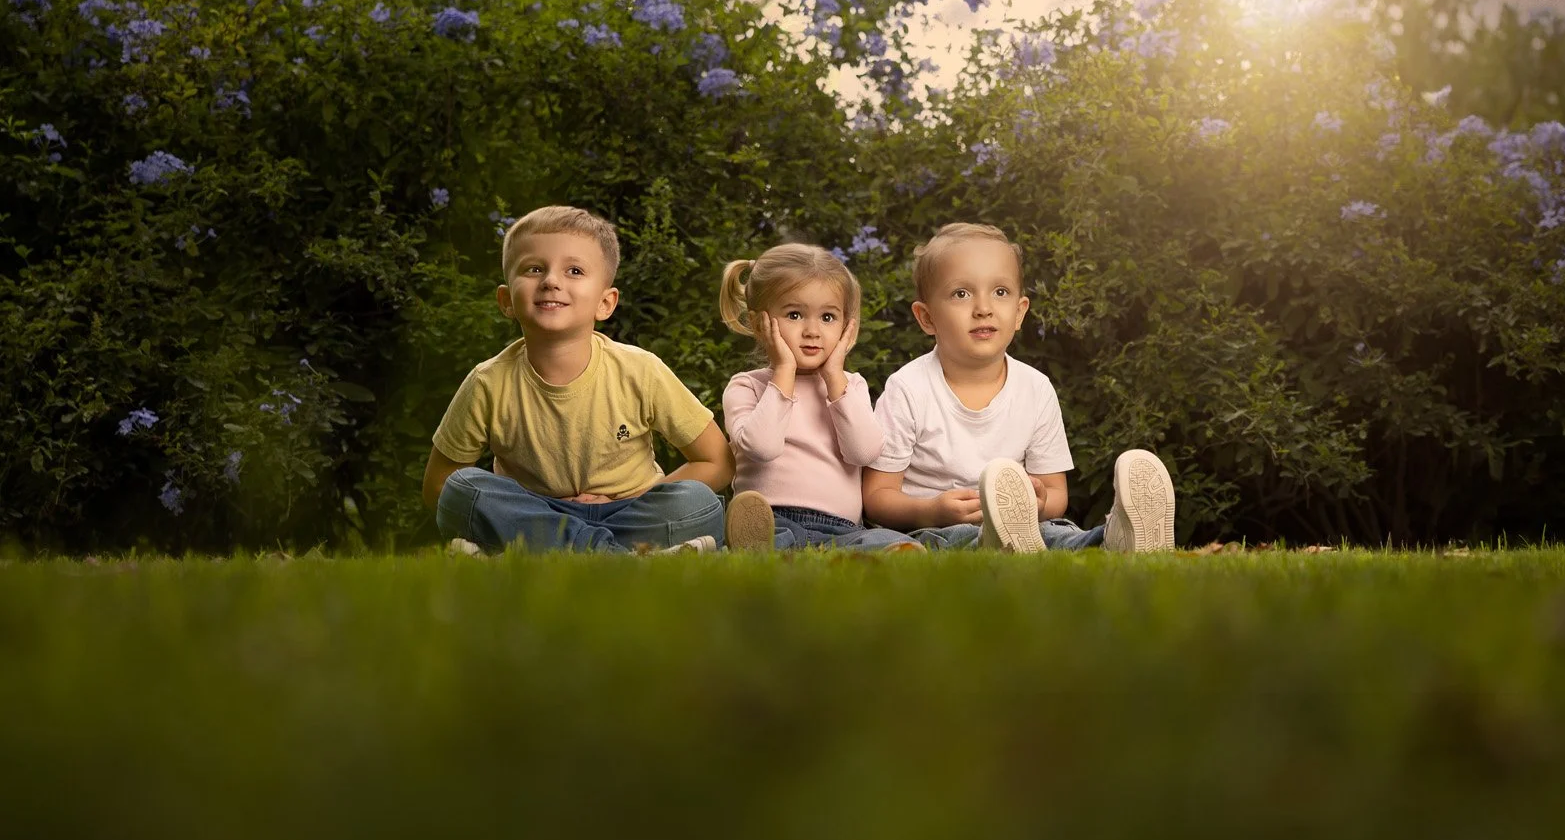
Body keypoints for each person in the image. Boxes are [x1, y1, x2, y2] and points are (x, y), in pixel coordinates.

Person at [422, 205, 738, 554]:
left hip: (629, 511)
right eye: (534, 268)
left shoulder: (640, 370)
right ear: (506, 300)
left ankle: (556, 552)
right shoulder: (488, 382)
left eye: (574, 270)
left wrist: (641, 498)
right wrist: (529, 510)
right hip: (537, 514)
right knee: (464, 490)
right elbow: (438, 485)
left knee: (697, 503)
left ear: (606, 302)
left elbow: (718, 461)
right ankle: (621, 559)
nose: (551, 281)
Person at [861, 222, 1175, 553]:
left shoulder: (1035, 389)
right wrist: (933, 510)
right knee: (949, 540)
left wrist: (1038, 504)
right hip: (935, 527)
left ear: (1019, 312)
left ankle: (1114, 538)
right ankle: (1003, 542)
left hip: (1025, 524)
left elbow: (1056, 494)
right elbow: (877, 498)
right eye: (961, 293)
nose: (983, 308)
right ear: (927, 318)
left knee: (1055, 531)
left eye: (1000, 292)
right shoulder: (909, 389)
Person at [719, 244, 924, 553]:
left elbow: (864, 452)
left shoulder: (849, 385)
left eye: (828, 317)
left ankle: (926, 545)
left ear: (846, 327)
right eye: (795, 314)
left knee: (886, 541)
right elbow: (763, 447)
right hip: (772, 519)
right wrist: (785, 370)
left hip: (842, 527)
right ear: (761, 324)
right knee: (771, 540)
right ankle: (757, 547)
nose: (812, 331)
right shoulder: (747, 386)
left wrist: (834, 378)